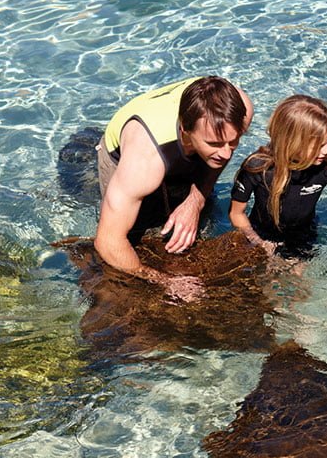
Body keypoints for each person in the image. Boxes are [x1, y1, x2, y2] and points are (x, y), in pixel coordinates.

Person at [94, 76, 253, 302]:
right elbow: (108, 242)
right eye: (215, 144)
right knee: (137, 233)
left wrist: (195, 201)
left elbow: (221, 149)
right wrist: (164, 280)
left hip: (179, 142)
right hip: (128, 151)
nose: (227, 153)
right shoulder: (142, 162)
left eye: (234, 141)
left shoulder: (240, 109)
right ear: (185, 130)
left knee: (201, 211)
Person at [229, 94, 327, 260]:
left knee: (297, 275)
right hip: (259, 234)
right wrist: (258, 243)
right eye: (320, 144)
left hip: (302, 237)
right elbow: (236, 214)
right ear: (294, 142)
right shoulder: (258, 166)